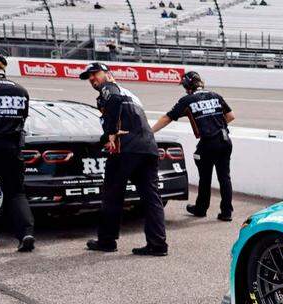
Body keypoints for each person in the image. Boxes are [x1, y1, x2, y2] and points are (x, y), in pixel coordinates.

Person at [81, 62, 168, 256]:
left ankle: (107, 241)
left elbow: (114, 100)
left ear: (107, 73)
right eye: (89, 77)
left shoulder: (110, 88)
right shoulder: (131, 94)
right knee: (152, 198)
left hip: (125, 149)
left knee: (112, 196)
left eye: (94, 74)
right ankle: (158, 244)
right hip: (148, 148)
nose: (92, 79)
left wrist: (111, 133)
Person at [150, 71, 236, 221]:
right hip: (225, 140)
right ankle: (226, 212)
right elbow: (231, 116)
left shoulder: (187, 100)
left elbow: (167, 117)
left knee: (205, 177)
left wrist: (150, 132)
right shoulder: (216, 95)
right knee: (224, 177)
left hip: (208, 143)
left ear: (187, 86)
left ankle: (201, 209)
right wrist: (215, 125)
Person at [0, 45, 35, 252]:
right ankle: (26, 233)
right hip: (13, 148)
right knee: (16, 193)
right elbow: (22, 119)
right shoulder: (20, 90)